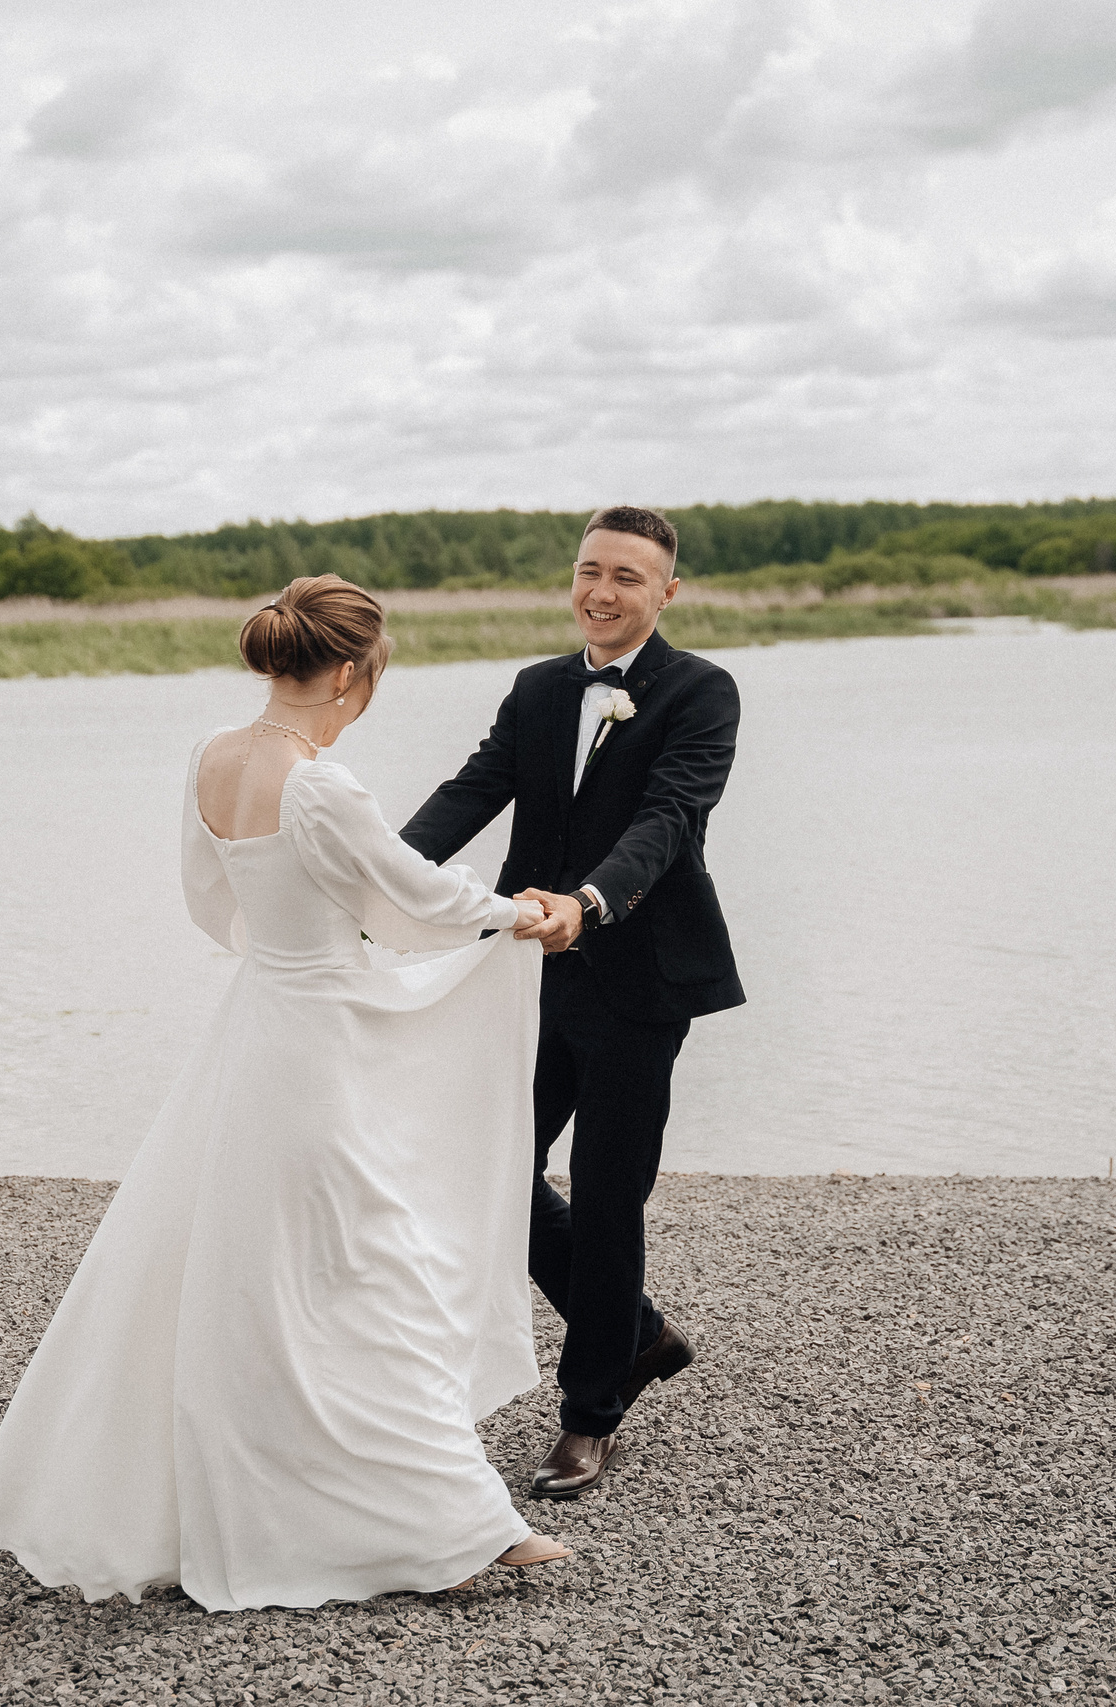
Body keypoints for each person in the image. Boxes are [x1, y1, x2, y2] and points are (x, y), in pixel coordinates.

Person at [0, 574, 574, 1610]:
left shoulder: (213, 755)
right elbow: (410, 901)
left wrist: (287, 953)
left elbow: (210, 901)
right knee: (367, 1262)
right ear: (350, 673)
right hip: (320, 1044)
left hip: (250, 1034)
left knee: (257, 1271)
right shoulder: (321, 784)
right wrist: (517, 915)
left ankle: (346, 1507)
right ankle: (453, 1523)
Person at [401, 505, 745, 1498]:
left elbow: (669, 819)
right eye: (589, 570)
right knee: (485, 1170)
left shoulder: (701, 691)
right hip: (523, 974)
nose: (601, 591)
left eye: (627, 577)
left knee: (604, 1199)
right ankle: (635, 1333)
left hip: (641, 979)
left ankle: (589, 1414)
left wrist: (589, 904)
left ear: (665, 592)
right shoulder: (539, 689)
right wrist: (377, 878)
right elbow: (472, 791)